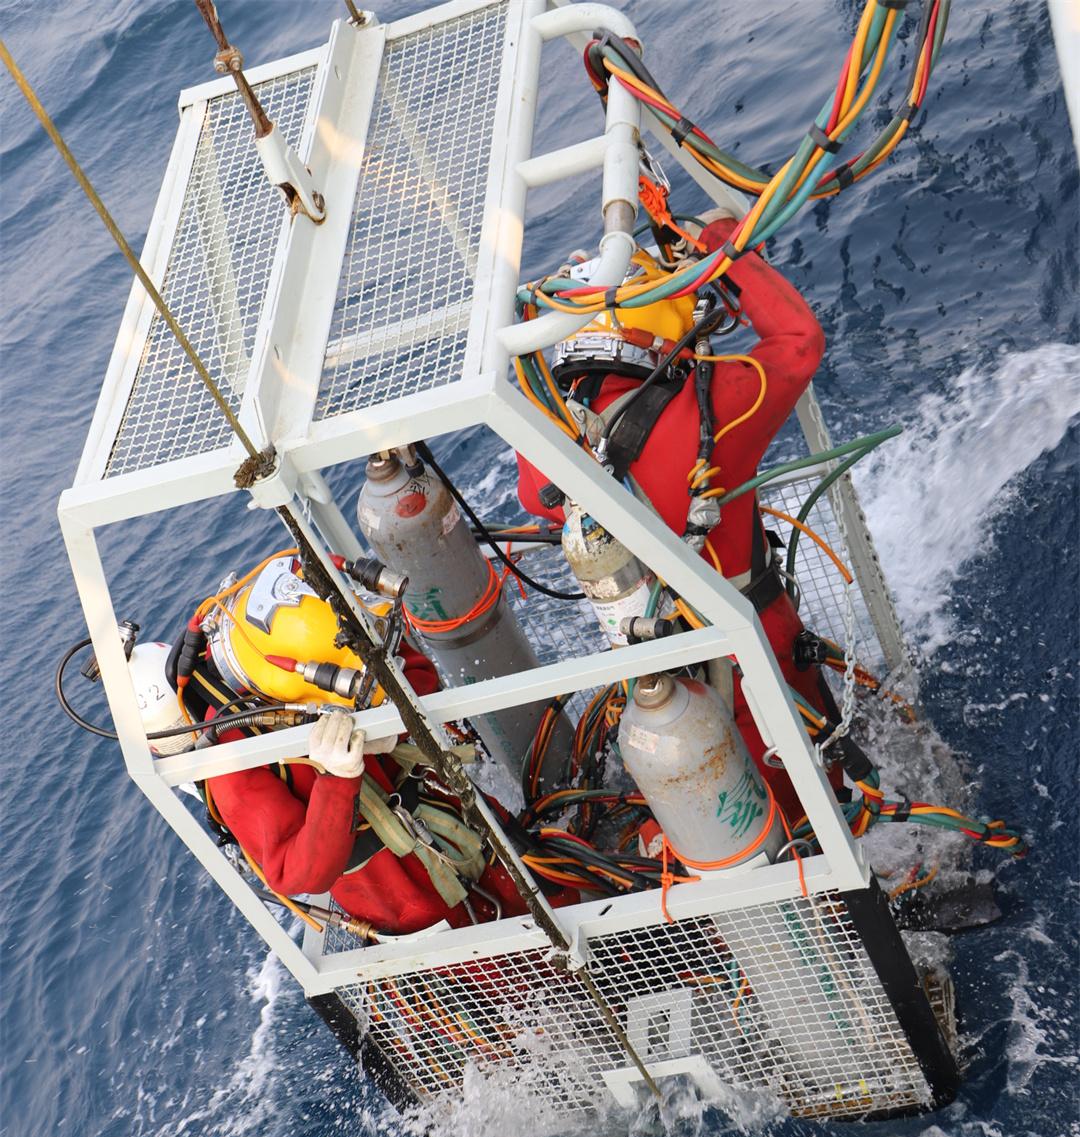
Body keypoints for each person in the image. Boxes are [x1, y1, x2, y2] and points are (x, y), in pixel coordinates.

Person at [516, 211, 838, 820]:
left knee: (720, 807)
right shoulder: (717, 410)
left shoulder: (551, 448)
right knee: (818, 799)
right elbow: (799, 341)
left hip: (658, 681)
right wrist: (720, 244)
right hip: (760, 657)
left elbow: (533, 496)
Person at [142, 555, 579, 936]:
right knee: (525, 960)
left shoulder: (292, 653)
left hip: (462, 833)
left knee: (559, 909)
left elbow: (415, 678)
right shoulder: (236, 754)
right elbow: (297, 871)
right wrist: (339, 779)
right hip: (419, 896)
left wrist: (389, 715)